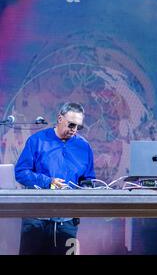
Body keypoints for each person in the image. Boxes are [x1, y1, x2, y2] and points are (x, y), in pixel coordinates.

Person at [15, 102, 96, 255]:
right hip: (36, 219)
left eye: (79, 127)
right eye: (71, 125)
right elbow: (21, 172)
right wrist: (48, 182)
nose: (75, 130)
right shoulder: (37, 140)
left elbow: (88, 179)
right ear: (60, 118)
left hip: (67, 221)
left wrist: (86, 189)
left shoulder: (84, 147)